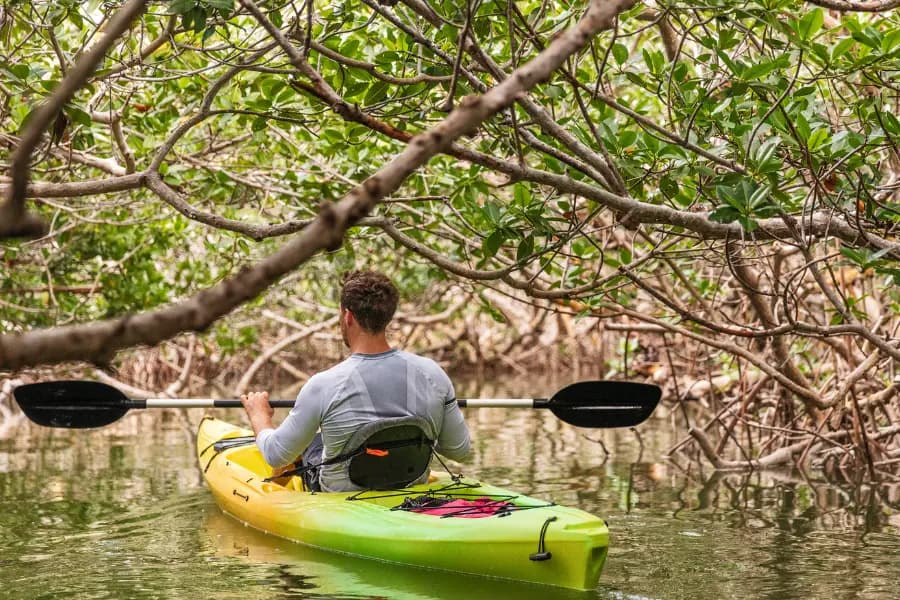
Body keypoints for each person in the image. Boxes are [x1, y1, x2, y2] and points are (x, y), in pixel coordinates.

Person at [240, 270, 470, 492]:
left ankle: (272, 487)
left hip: (340, 497)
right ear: (388, 316)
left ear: (347, 316)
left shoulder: (323, 385)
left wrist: (259, 416)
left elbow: (275, 454)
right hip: (410, 487)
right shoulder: (433, 374)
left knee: (309, 443)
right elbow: (459, 451)